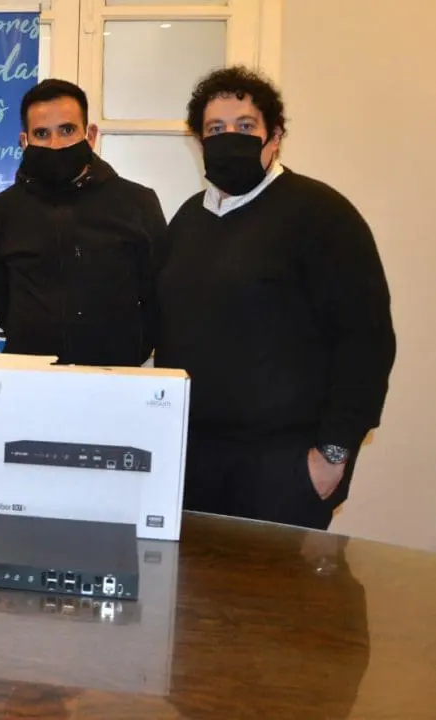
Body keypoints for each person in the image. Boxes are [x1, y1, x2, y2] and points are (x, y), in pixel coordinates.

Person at [152, 66, 396, 530]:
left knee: (278, 583)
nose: (230, 138)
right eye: (215, 129)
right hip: (192, 462)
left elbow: (366, 342)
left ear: (275, 136)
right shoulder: (187, 221)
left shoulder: (323, 215)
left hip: (283, 468)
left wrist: (333, 454)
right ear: (198, 141)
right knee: (192, 582)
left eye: (245, 126)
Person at [0, 79, 166, 367]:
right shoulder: (0, 211)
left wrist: (132, 348)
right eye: (42, 133)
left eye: (67, 130)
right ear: (25, 141)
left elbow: (159, 291)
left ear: (90, 135)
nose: (55, 145)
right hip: (28, 376)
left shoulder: (138, 203)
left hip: (117, 377)